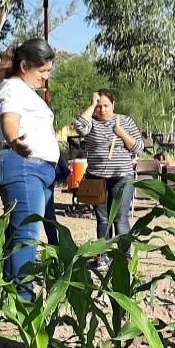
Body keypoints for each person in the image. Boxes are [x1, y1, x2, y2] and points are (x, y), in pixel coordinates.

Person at [0, 38, 59, 300]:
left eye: (48, 71)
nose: (46, 77)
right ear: (25, 65)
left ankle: (11, 295)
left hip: (38, 171)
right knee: (26, 235)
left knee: (23, 233)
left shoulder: (27, 91)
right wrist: (14, 140)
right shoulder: (13, 89)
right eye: (42, 71)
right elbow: (9, 121)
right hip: (24, 167)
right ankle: (22, 299)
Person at [74, 90, 144, 265]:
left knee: (120, 218)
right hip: (98, 179)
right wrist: (92, 104)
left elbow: (138, 147)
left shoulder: (125, 121)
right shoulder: (92, 123)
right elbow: (79, 126)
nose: (102, 109)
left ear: (113, 104)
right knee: (102, 219)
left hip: (122, 176)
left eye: (106, 105)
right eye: (99, 106)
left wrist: (122, 134)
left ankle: (124, 258)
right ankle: (103, 256)